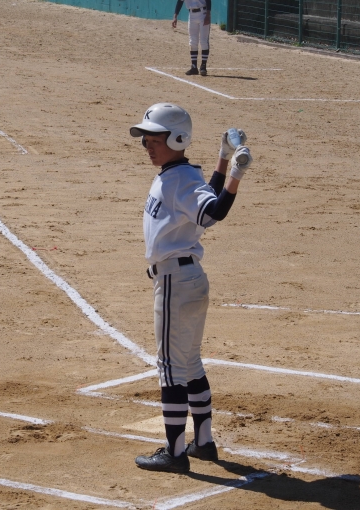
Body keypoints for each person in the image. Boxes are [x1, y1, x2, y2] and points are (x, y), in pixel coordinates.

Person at [131, 103, 252, 473]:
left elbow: (213, 212)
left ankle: (175, 453)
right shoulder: (181, 174)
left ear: (177, 139)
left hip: (174, 283)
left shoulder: (179, 179)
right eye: (145, 140)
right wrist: (222, 158)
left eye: (155, 140)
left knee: (171, 368)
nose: (148, 146)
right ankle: (204, 442)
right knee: (190, 362)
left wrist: (236, 172)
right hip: (188, 279)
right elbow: (205, 198)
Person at [172, 0, 211, 76]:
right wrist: (175, 16)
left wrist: (208, 14)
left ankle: (203, 66)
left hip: (203, 13)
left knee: (203, 40)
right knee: (193, 41)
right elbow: (180, 1)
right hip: (192, 15)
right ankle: (194, 67)